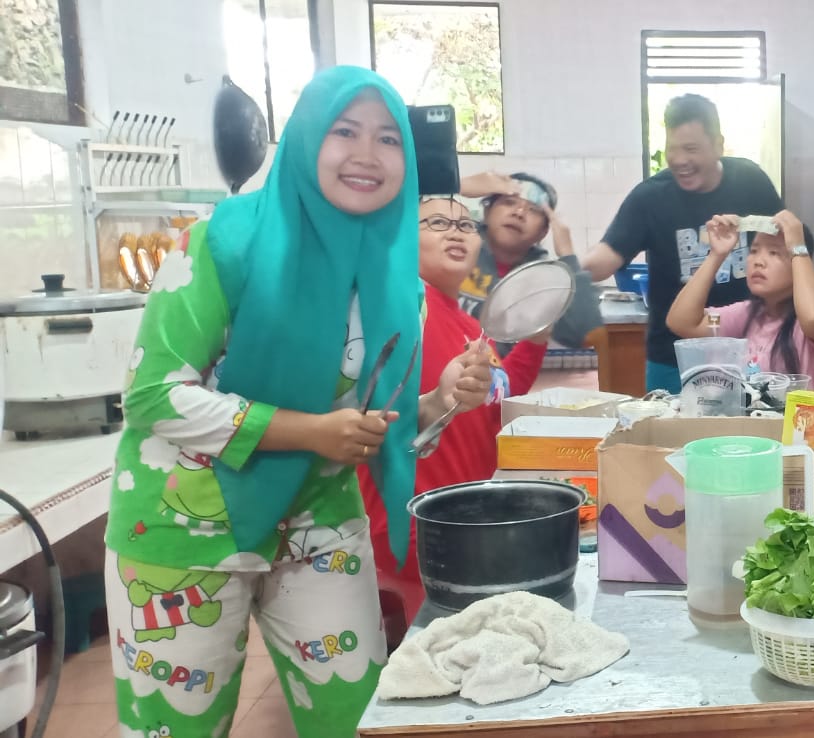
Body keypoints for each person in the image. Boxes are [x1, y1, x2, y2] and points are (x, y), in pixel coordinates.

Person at [102, 67, 495, 738]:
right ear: (306, 138)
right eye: (345, 131)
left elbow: (368, 422)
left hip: (319, 526)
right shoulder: (223, 242)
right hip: (183, 529)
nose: (367, 155)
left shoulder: (394, 277)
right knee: (177, 729)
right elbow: (152, 395)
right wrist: (308, 431)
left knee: (357, 718)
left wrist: (438, 401)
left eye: (388, 139)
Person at [358, 195, 541, 630]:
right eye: (437, 223)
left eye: (465, 225)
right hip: (416, 522)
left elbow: (497, 395)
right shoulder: (400, 307)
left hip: (466, 514)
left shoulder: (470, 325)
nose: (455, 232)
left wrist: (536, 336)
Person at [579, 94, 784, 393]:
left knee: (748, 424)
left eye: (691, 149)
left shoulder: (749, 181)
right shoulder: (650, 197)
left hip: (748, 353)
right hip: (673, 357)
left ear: (718, 144)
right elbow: (607, 256)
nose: (679, 160)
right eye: (671, 149)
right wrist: (567, 270)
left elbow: (784, 239)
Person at [665, 210, 814, 393]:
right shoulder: (748, 313)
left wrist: (798, 248)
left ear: (799, 262)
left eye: (774, 253)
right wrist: (716, 255)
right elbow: (682, 322)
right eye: (754, 251)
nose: (758, 261)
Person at [457, 172, 602, 357]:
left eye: (533, 210)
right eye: (509, 202)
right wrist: (456, 186)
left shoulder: (543, 277)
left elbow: (585, 335)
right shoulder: (456, 242)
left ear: (543, 232)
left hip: (494, 372)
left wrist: (568, 255)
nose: (519, 213)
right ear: (487, 212)